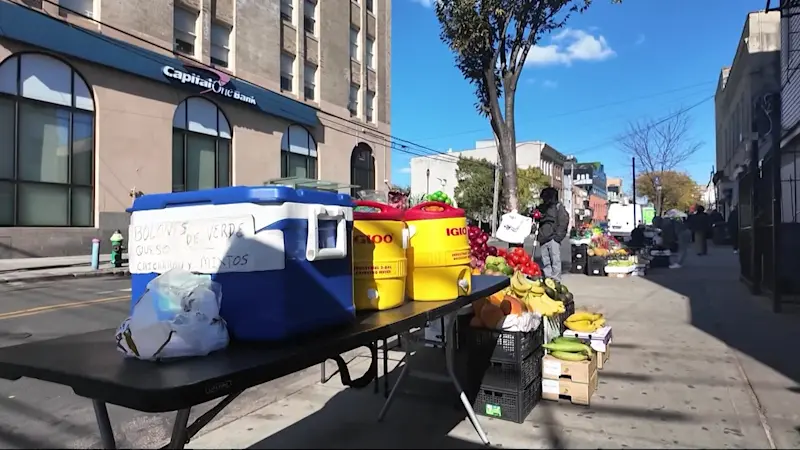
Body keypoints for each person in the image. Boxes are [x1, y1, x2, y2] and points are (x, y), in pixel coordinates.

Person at [534, 187, 569, 282]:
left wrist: (558, 237)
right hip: (543, 236)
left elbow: (563, 221)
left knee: (555, 259)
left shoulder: (558, 207)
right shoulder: (541, 208)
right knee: (545, 260)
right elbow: (535, 219)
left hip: (553, 237)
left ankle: (556, 278)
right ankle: (548, 277)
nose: (544, 200)